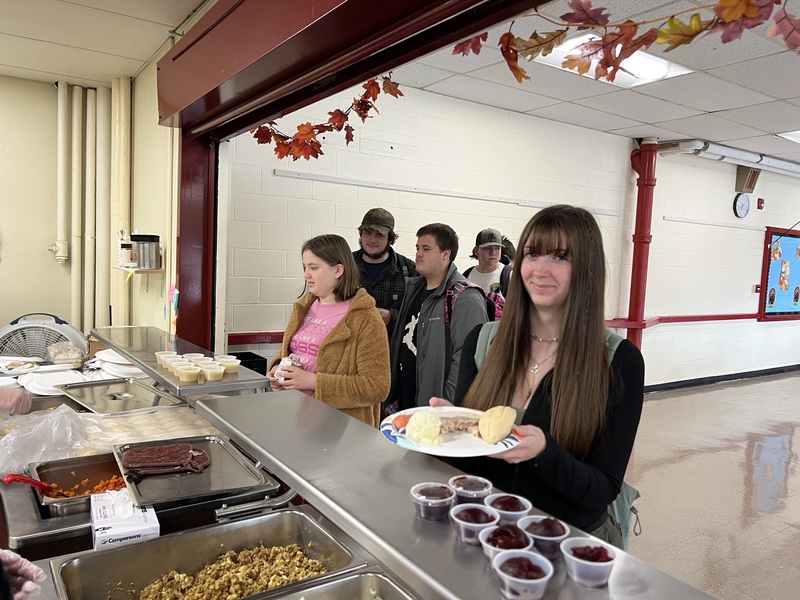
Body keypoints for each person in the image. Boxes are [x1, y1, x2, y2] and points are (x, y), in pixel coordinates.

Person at [434, 205, 645, 548]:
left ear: (587, 270)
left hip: (568, 543)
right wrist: (446, 431)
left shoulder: (618, 361)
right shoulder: (484, 341)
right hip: (486, 528)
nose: (540, 269)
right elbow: (472, 454)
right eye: (532, 253)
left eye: (561, 256)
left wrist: (545, 454)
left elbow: (603, 489)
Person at [268, 234, 390, 428]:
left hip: (340, 430)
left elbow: (376, 387)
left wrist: (313, 382)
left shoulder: (365, 318)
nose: (306, 274)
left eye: (314, 268)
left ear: (338, 270)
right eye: (305, 267)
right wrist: (277, 371)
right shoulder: (303, 307)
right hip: (294, 417)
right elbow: (294, 352)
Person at [387, 223, 488, 412]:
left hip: (437, 411)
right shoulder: (414, 290)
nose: (418, 254)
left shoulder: (466, 298)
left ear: (446, 254)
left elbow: (467, 362)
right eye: (418, 248)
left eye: (426, 249)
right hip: (407, 406)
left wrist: (447, 407)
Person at [353, 208, 417, 338]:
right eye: (368, 233)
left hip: (390, 350)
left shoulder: (409, 270)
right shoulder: (345, 265)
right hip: (350, 347)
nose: (372, 240)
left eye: (380, 235)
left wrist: (391, 317)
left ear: (390, 238)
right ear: (361, 234)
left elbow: (420, 313)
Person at [464, 228, 512, 297]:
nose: (493, 253)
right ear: (476, 251)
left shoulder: (509, 276)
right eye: (488, 248)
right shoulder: (467, 276)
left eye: (497, 248)